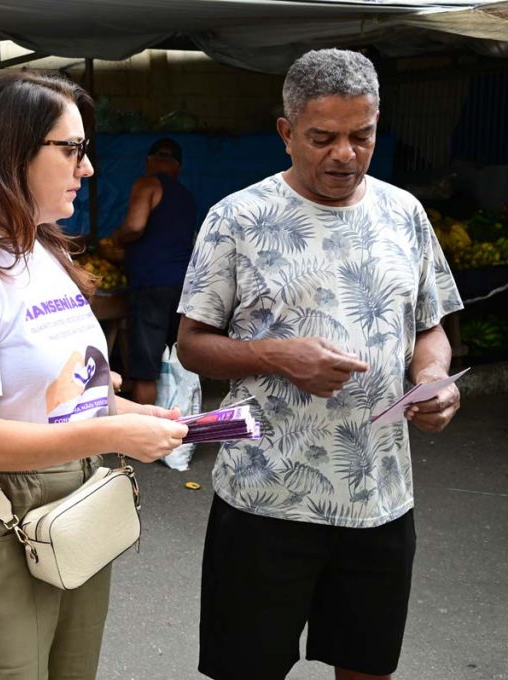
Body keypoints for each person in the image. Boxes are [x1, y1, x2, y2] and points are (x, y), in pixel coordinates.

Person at [176, 49, 462, 680]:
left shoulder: (404, 214)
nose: (345, 154)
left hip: (378, 500)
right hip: (264, 498)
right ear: (285, 133)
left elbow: (430, 327)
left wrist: (433, 379)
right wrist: (276, 356)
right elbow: (191, 343)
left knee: (367, 666)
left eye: (361, 136)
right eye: (323, 137)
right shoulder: (237, 219)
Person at [0, 71, 189, 679]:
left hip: (76, 502)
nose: (86, 169)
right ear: (14, 152)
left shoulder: (42, 252)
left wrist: (141, 415)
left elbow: (60, 396)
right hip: (0, 509)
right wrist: (114, 436)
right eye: (73, 149)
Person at [111, 137, 198, 404]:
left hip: (151, 285)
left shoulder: (147, 183)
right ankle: (177, 424)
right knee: (174, 360)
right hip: (182, 287)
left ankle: (144, 436)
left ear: (149, 161)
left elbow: (135, 227)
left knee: (145, 369)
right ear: (179, 167)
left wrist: (116, 237)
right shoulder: (187, 197)